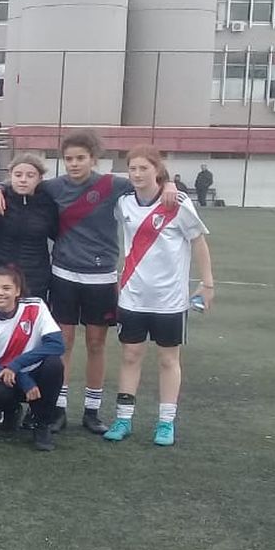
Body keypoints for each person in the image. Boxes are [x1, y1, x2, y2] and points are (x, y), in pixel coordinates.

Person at [0, 129, 178, 432]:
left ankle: (92, 410)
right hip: (63, 274)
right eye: (69, 159)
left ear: (93, 159)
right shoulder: (53, 187)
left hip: (101, 278)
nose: (74, 164)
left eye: (80, 158)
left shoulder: (112, 184)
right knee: (62, 343)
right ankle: (59, 407)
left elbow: (147, 177)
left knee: (96, 343)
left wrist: (168, 181)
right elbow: (20, 181)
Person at [101, 146, 214, 447]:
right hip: (132, 296)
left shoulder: (176, 203)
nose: (137, 174)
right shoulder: (123, 202)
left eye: (144, 168)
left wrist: (208, 283)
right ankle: (123, 418)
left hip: (170, 300)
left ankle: (166, 423)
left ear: (157, 170)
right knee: (130, 356)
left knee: (168, 359)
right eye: (133, 169)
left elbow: (199, 241)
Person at [0, 264, 65, 451]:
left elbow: (57, 344)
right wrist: (22, 377)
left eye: (6, 288)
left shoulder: (36, 306)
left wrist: (17, 364)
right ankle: (11, 411)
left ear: (17, 291)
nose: (0, 293)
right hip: (9, 378)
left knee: (54, 365)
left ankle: (42, 423)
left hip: (37, 374)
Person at [0, 153, 57, 307]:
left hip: (36, 276)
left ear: (39, 178)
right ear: (10, 176)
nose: (23, 179)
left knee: (30, 323)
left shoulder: (48, 203)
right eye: (18, 175)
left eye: (30, 175)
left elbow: (57, 233)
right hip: (1, 272)